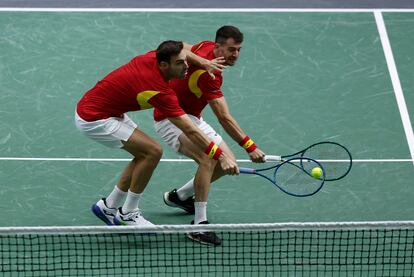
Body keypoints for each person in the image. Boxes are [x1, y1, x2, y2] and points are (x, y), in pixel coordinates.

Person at [75, 40, 239, 228]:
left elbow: (185, 51)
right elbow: (191, 130)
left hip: (106, 109)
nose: (186, 66)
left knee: (142, 153)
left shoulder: (155, 55)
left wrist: (203, 63)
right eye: (179, 63)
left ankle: (109, 206)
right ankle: (128, 213)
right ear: (164, 65)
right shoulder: (158, 90)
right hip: (94, 117)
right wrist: (221, 156)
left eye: (185, 61)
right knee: (152, 151)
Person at [154, 26, 266, 245]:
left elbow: (182, 46)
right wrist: (250, 147)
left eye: (239, 50)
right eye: (231, 49)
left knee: (228, 160)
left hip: (192, 117)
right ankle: (199, 225)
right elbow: (224, 117)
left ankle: (180, 196)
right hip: (171, 119)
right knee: (210, 158)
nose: (236, 55)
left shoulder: (204, 47)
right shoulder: (208, 76)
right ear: (218, 47)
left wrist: (202, 60)